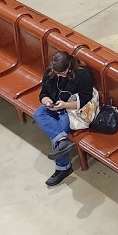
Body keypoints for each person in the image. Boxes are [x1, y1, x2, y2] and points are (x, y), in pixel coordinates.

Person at [34, 51, 95, 187]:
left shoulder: (82, 75)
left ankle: (63, 168)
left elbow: (85, 99)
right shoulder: (51, 71)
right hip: (54, 106)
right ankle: (61, 141)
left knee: (59, 128)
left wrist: (65, 105)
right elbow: (43, 93)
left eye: (62, 73)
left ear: (69, 66)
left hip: (71, 110)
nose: (59, 76)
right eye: (57, 73)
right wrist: (47, 101)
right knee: (38, 114)